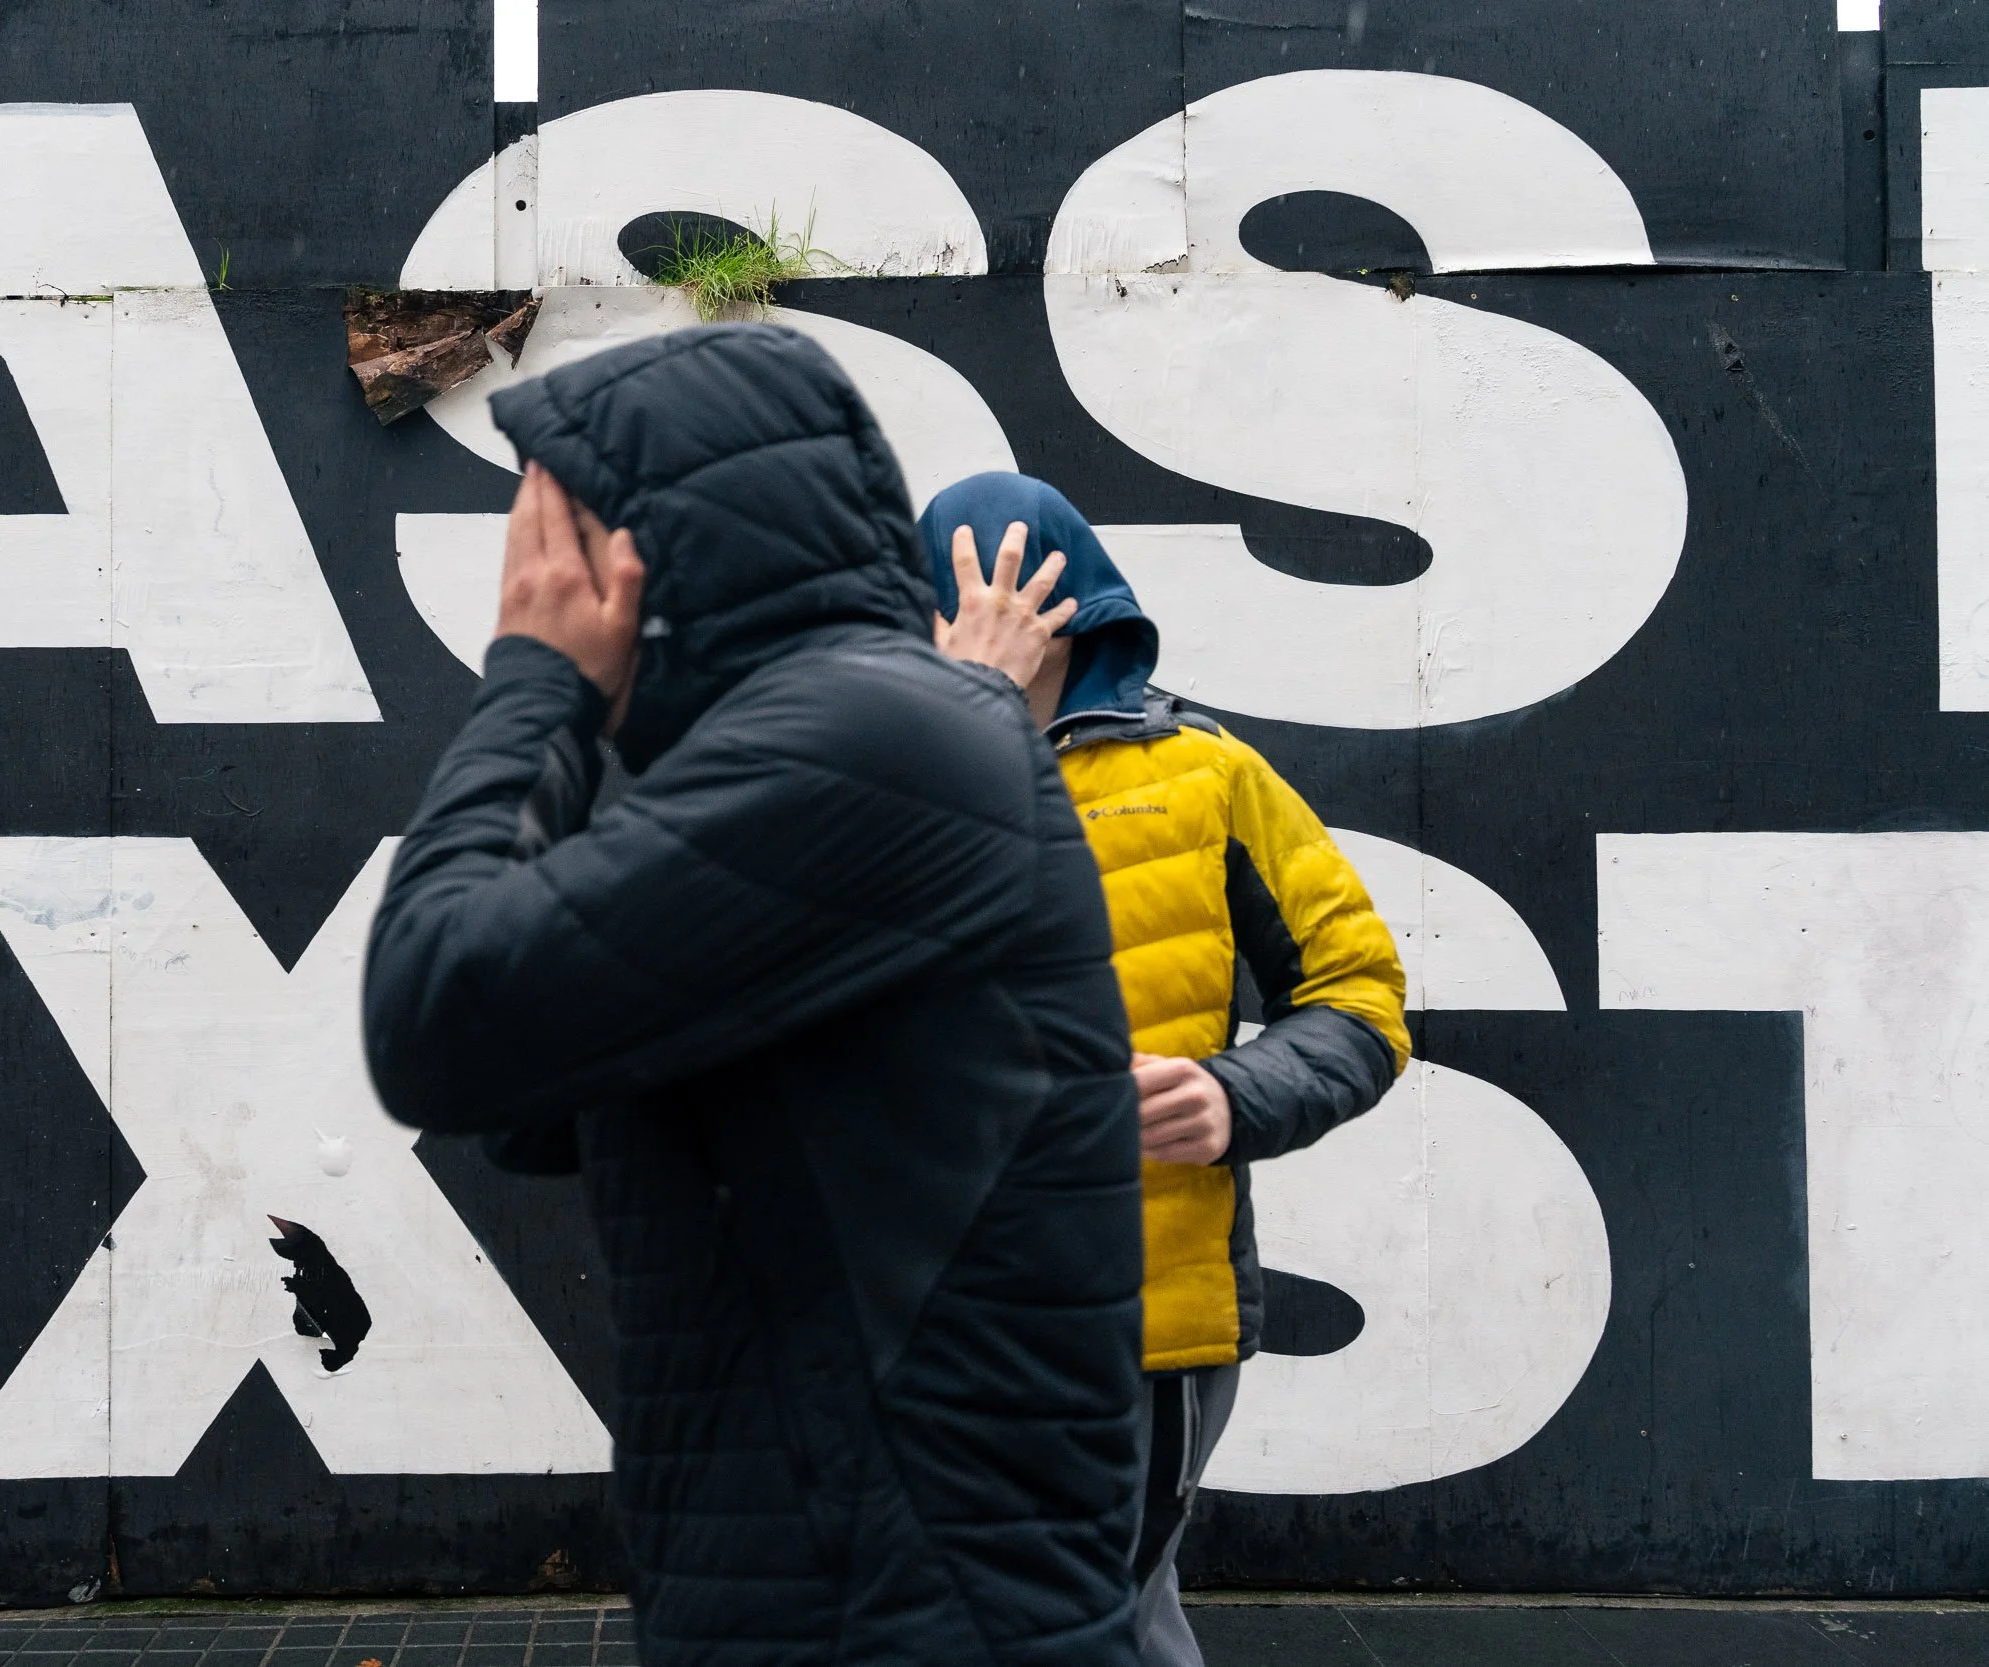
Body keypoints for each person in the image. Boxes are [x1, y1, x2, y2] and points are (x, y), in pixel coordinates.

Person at [363, 328, 1147, 1666]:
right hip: (820, 1586)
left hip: (904, 1611)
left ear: (661, 546)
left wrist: (537, 686)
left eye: (567, 528)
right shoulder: (813, 750)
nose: (537, 575)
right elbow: (529, 1107)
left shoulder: (888, 741)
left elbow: (439, 1022)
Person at [925, 473, 1409, 1667]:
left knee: (1098, 1620)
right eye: (960, 595)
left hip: (1139, 1315)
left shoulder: (1206, 775)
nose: (995, 616)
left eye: (1016, 588)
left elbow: (1359, 994)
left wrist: (1236, 1095)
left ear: (1072, 599)